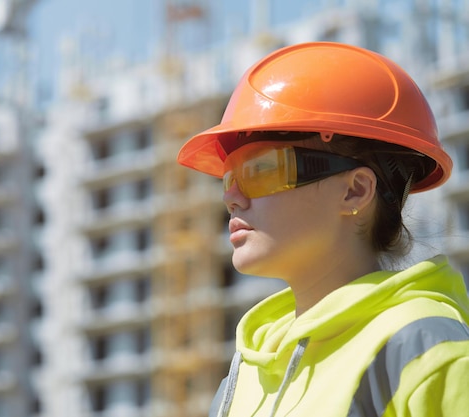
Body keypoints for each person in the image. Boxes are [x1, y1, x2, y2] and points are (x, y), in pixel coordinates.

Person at [177, 42, 469, 417]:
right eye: (229, 178)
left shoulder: (423, 348)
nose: (231, 197)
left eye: (260, 171)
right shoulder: (242, 377)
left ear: (355, 191)